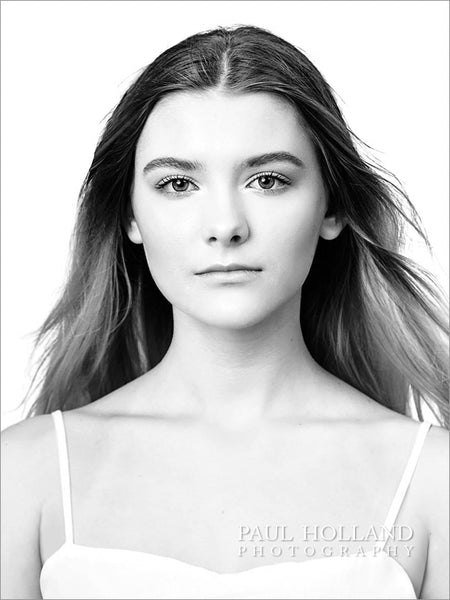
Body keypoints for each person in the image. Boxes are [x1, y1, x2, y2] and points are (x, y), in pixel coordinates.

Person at [1, 24, 448, 600]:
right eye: (179, 183)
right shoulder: (25, 477)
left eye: (267, 180)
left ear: (331, 207)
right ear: (130, 217)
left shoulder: (433, 480)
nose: (225, 226)